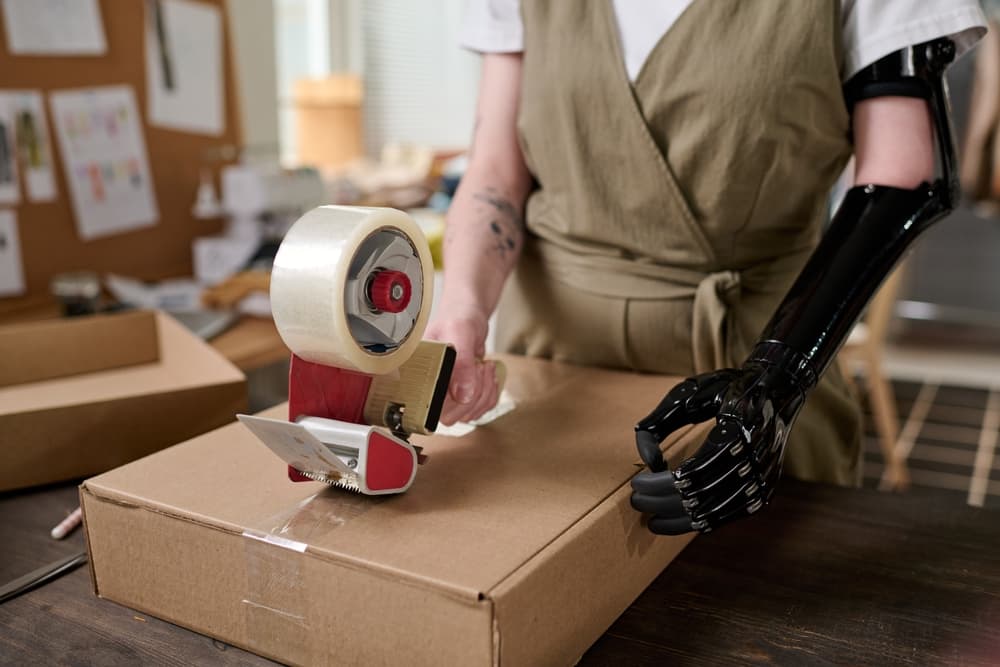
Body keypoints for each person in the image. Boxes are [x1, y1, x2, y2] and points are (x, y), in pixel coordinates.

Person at [426, 1, 986, 532]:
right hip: (550, 366)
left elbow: (906, 179)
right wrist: (462, 310)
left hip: (752, 363)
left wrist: (774, 385)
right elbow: (496, 171)